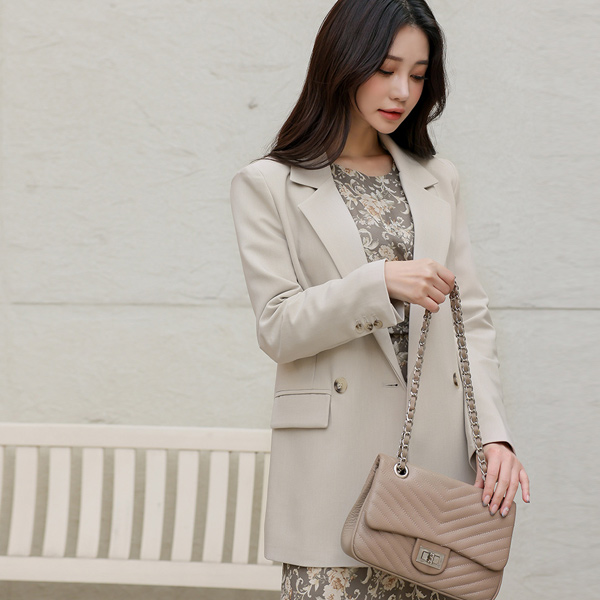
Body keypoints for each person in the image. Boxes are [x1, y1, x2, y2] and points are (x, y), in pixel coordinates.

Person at [230, 0, 530, 598]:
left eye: (418, 75)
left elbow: (470, 317)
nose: (402, 91)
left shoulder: (438, 177)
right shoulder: (268, 184)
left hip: (435, 471)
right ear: (343, 61)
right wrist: (379, 283)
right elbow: (278, 327)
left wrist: (493, 435)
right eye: (387, 69)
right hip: (332, 468)